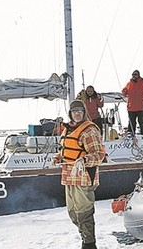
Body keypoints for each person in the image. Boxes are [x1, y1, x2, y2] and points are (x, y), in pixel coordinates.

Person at [53, 100, 106, 249]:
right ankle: (85, 239)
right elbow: (67, 149)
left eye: (80, 111)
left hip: (83, 177)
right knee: (73, 213)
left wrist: (84, 160)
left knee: (84, 213)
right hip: (69, 176)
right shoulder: (68, 129)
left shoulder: (89, 130)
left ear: (84, 113)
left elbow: (99, 154)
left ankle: (89, 244)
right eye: (74, 111)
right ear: (70, 113)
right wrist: (58, 157)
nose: (77, 113)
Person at [121, 70, 143, 138]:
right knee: (131, 122)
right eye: (133, 74)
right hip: (131, 106)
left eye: (135, 74)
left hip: (140, 106)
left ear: (138, 75)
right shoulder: (129, 83)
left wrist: (141, 92)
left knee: (142, 121)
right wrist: (124, 92)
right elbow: (124, 90)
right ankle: (131, 133)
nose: (133, 76)